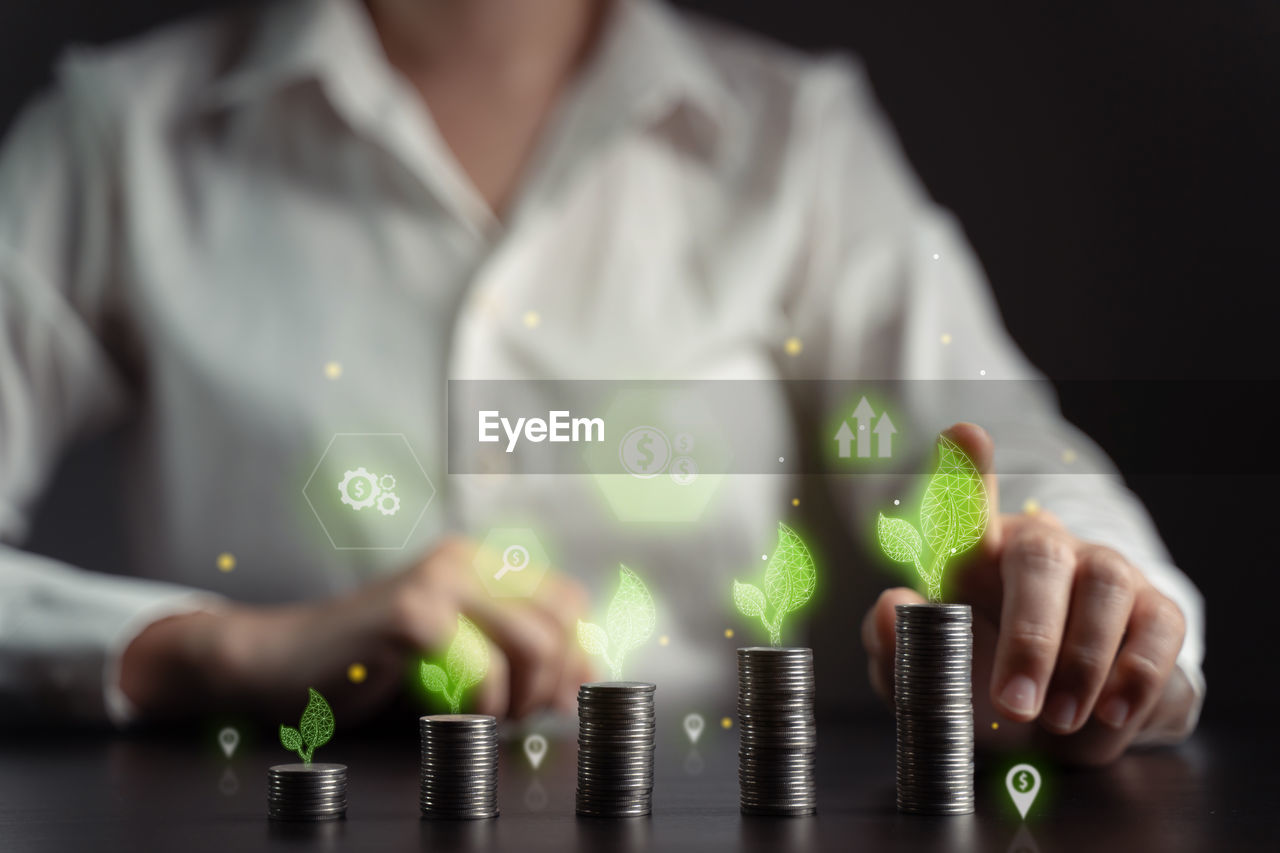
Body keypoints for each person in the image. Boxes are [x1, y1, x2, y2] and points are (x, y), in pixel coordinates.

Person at [0, 0, 1201, 765]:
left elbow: (1005, 451)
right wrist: (215, 650)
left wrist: (1090, 603)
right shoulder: (121, 141)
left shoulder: (795, 142)